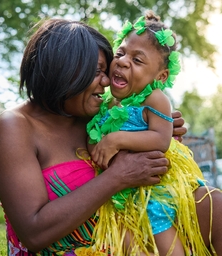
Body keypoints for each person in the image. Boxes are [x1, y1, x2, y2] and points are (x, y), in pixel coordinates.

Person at [0, 18, 222, 256]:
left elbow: (143, 129)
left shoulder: (92, 118)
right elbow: (34, 233)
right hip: (77, 249)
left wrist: (156, 124)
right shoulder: (15, 126)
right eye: (97, 71)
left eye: (105, 70)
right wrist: (117, 177)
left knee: (214, 203)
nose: (107, 80)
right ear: (63, 69)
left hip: (132, 236)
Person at [86, 11, 221, 256]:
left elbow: (161, 139)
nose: (124, 61)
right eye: (121, 53)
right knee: (129, 244)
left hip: (153, 190)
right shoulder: (106, 102)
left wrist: (116, 139)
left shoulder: (155, 99)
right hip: (119, 194)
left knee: (160, 228)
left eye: (137, 61)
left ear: (160, 76)